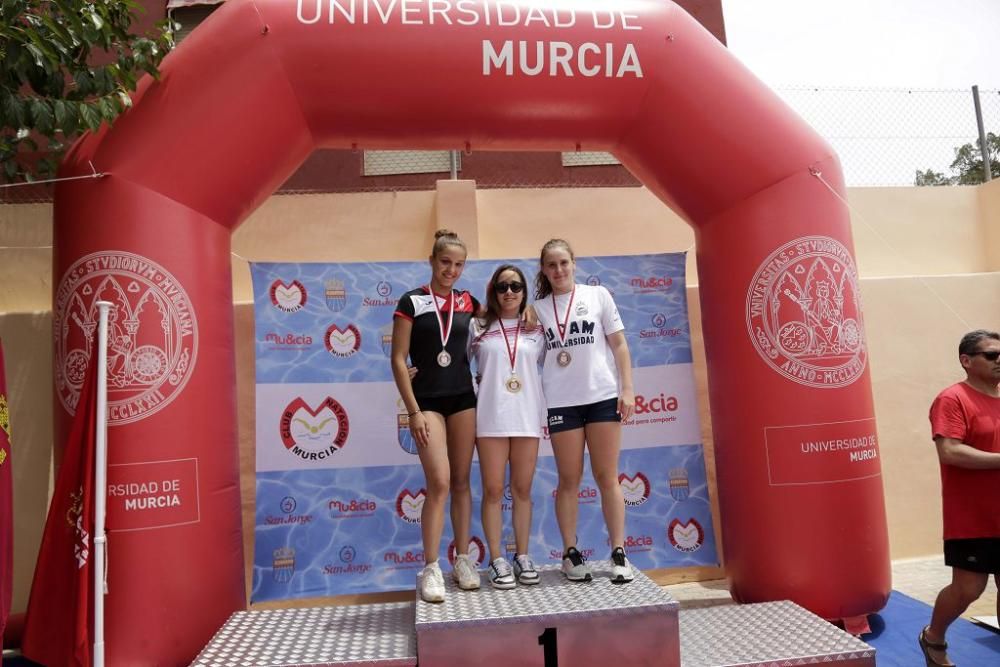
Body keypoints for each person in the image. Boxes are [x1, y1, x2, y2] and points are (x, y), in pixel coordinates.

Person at [533, 238, 636, 584]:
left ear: (574, 263)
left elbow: (619, 345)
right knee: (569, 480)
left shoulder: (598, 296)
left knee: (607, 476)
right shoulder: (537, 308)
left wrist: (628, 390)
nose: (558, 270)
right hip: (562, 402)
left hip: (603, 397)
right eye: (551, 265)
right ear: (544, 270)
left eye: (564, 263)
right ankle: (569, 553)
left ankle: (619, 552)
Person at [391, 229, 482, 603]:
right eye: (445, 262)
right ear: (432, 261)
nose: (452, 270)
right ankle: (430, 568)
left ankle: (463, 560)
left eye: (459, 265)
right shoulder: (411, 302)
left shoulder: (469, 302)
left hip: (463, 399)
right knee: (440, 482)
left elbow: (500, 324)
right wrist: (412, 411)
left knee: (461, 481)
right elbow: (398, 358)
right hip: (426, 401)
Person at [919, 329, 1000, 667]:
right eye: (992, 355)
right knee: (969, 590)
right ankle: (933, 636)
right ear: (967, 361)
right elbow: (950, 452)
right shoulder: (952, 399)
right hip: (972, 516)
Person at [469, 264, 546, 589]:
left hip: (527, 416)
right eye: (503, 286)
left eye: (516, 286)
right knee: (492, 490)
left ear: (525, 291)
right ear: (494, 291)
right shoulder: (478, 326)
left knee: (523, 490)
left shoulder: (537, 327)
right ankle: (497, 558)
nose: (510, 292)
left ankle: (523, 555)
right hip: (491, 417)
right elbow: (452, 362)